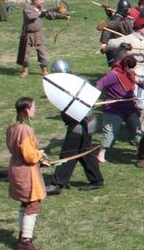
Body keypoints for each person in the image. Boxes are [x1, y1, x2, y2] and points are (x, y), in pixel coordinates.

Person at [44, 62, 105, 194]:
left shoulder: (75, 84)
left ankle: (57, 184)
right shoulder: (79, 80)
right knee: (85, 153)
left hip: (80, 124)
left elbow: (90, 99)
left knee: (67, 154)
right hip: (87, 122)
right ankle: (96, 180)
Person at [7, 97, 50, 250]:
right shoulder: (25, 129)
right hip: (25, 170)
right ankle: (25, 241)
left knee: (26, 202)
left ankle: (22, 236)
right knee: (32, 203)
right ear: (26, 110)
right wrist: (40, 154)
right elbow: (30, 156)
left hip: (18, 167)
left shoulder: (13, 126)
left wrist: (39, 160)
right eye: (33, 107)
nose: (34, 110)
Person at [16, 0, 68, 77]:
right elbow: (30, 17)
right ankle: (25, 70)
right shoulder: (27, 7)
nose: (42, 2)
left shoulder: (41, 8)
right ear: (35, 1)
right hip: (27, 34)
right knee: (25, 53)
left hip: (38, 34)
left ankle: (44, 70)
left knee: (42, 53)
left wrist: (63, 16)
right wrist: (41, 12)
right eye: (41, 0)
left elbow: (50, 15)